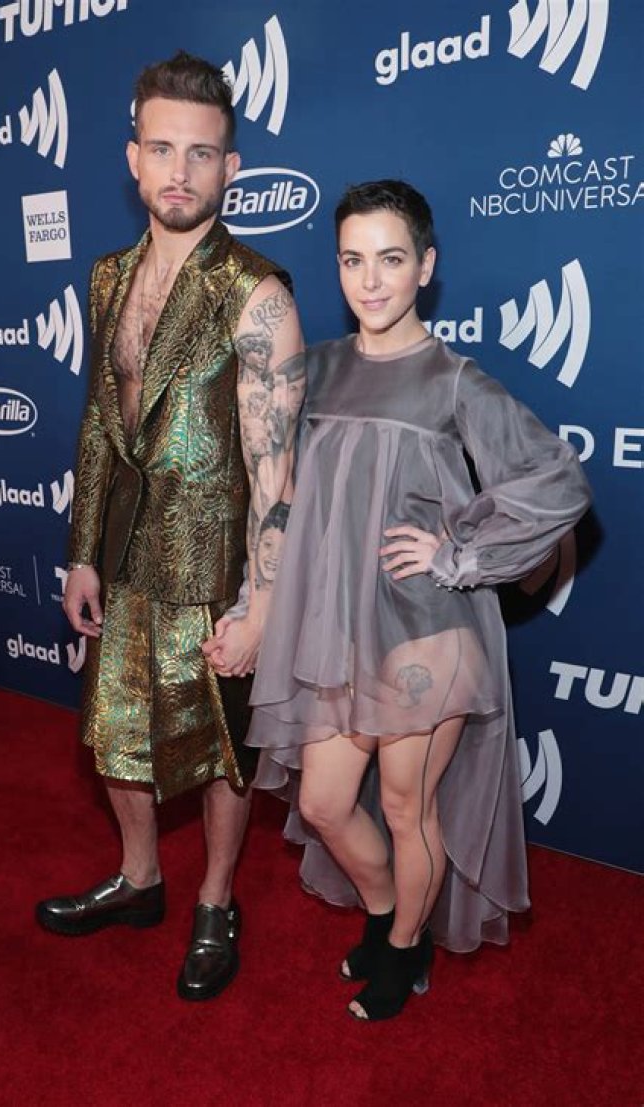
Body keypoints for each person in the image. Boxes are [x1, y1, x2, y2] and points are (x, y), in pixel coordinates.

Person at [239, 180, 591, 1021]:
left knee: (406, 806)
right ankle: (390, 912)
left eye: (391, 259)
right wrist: (254, 598)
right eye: (352, 260)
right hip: (339, 630)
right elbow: (280, 497)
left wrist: (459, 554)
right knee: (324, 803)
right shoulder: (318, 368)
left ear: (426, 266)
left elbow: (559, 482)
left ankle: (403, 947)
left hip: (427, 629)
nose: (370, 280)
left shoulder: (454, 380)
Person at [35, 51, 304, 1003]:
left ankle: (216, 900)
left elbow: (278, 472)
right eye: (161, 149)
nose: (179, 171)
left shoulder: (256, 292)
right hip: (123, 554)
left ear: (231, 168)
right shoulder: (108, 277)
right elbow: (99, 420)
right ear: (133, 159)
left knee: (223, 747)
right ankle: (140, 878)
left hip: (214, 562)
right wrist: (80, 553)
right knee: (113, 734)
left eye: (200, 153)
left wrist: (261, 601)